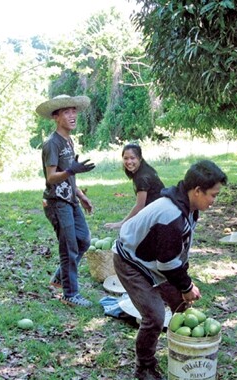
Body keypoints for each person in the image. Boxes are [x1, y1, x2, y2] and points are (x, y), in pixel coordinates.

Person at [113, 160, 228, 380]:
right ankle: (144, 367)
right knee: (154, 315)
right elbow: (166, 264)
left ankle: (183, 351)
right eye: (213, 195)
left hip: (151, 260)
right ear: (196, 191)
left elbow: (174, 254)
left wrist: (183, 286)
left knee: (180, 305)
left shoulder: (188, 207)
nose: (214, 201)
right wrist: (186, 286)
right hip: (131, 262)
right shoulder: (171, 215)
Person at [36, 94, 96, 308]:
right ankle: (70, 294)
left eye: (74, 111)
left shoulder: (68, 141)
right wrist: (71, 169)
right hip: (56, 202)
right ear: (56, 116)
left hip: (70, 199)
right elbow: (51, 177)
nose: (73, 116)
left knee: (84, 240)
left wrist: (81, 196)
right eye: (67, 112)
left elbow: (69, 176)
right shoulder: (52, 144)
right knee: (69, 246)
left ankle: (61, 278)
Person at [105, 143, 165, 230]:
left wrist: (121, 223)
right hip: (156, 210)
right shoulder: (144, 170)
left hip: (158, 214)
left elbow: (140, 206)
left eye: (132, 158)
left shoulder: (142, 177)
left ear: (139, 158)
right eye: (126, 158)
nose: (129, 162)